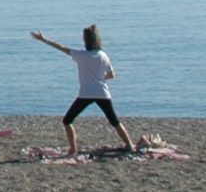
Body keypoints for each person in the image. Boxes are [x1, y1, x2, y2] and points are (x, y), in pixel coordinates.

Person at [32, 25, 136, 156]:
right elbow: (111, 75)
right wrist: (101, 78)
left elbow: (61, 48)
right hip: (102, 93)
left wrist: (43, 39)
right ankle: (129, 145)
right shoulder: (103, 55)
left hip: (86, 94)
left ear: (85, 41)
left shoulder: (81, 55)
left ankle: (73, 149)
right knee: (114, 121)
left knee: (67, 120)